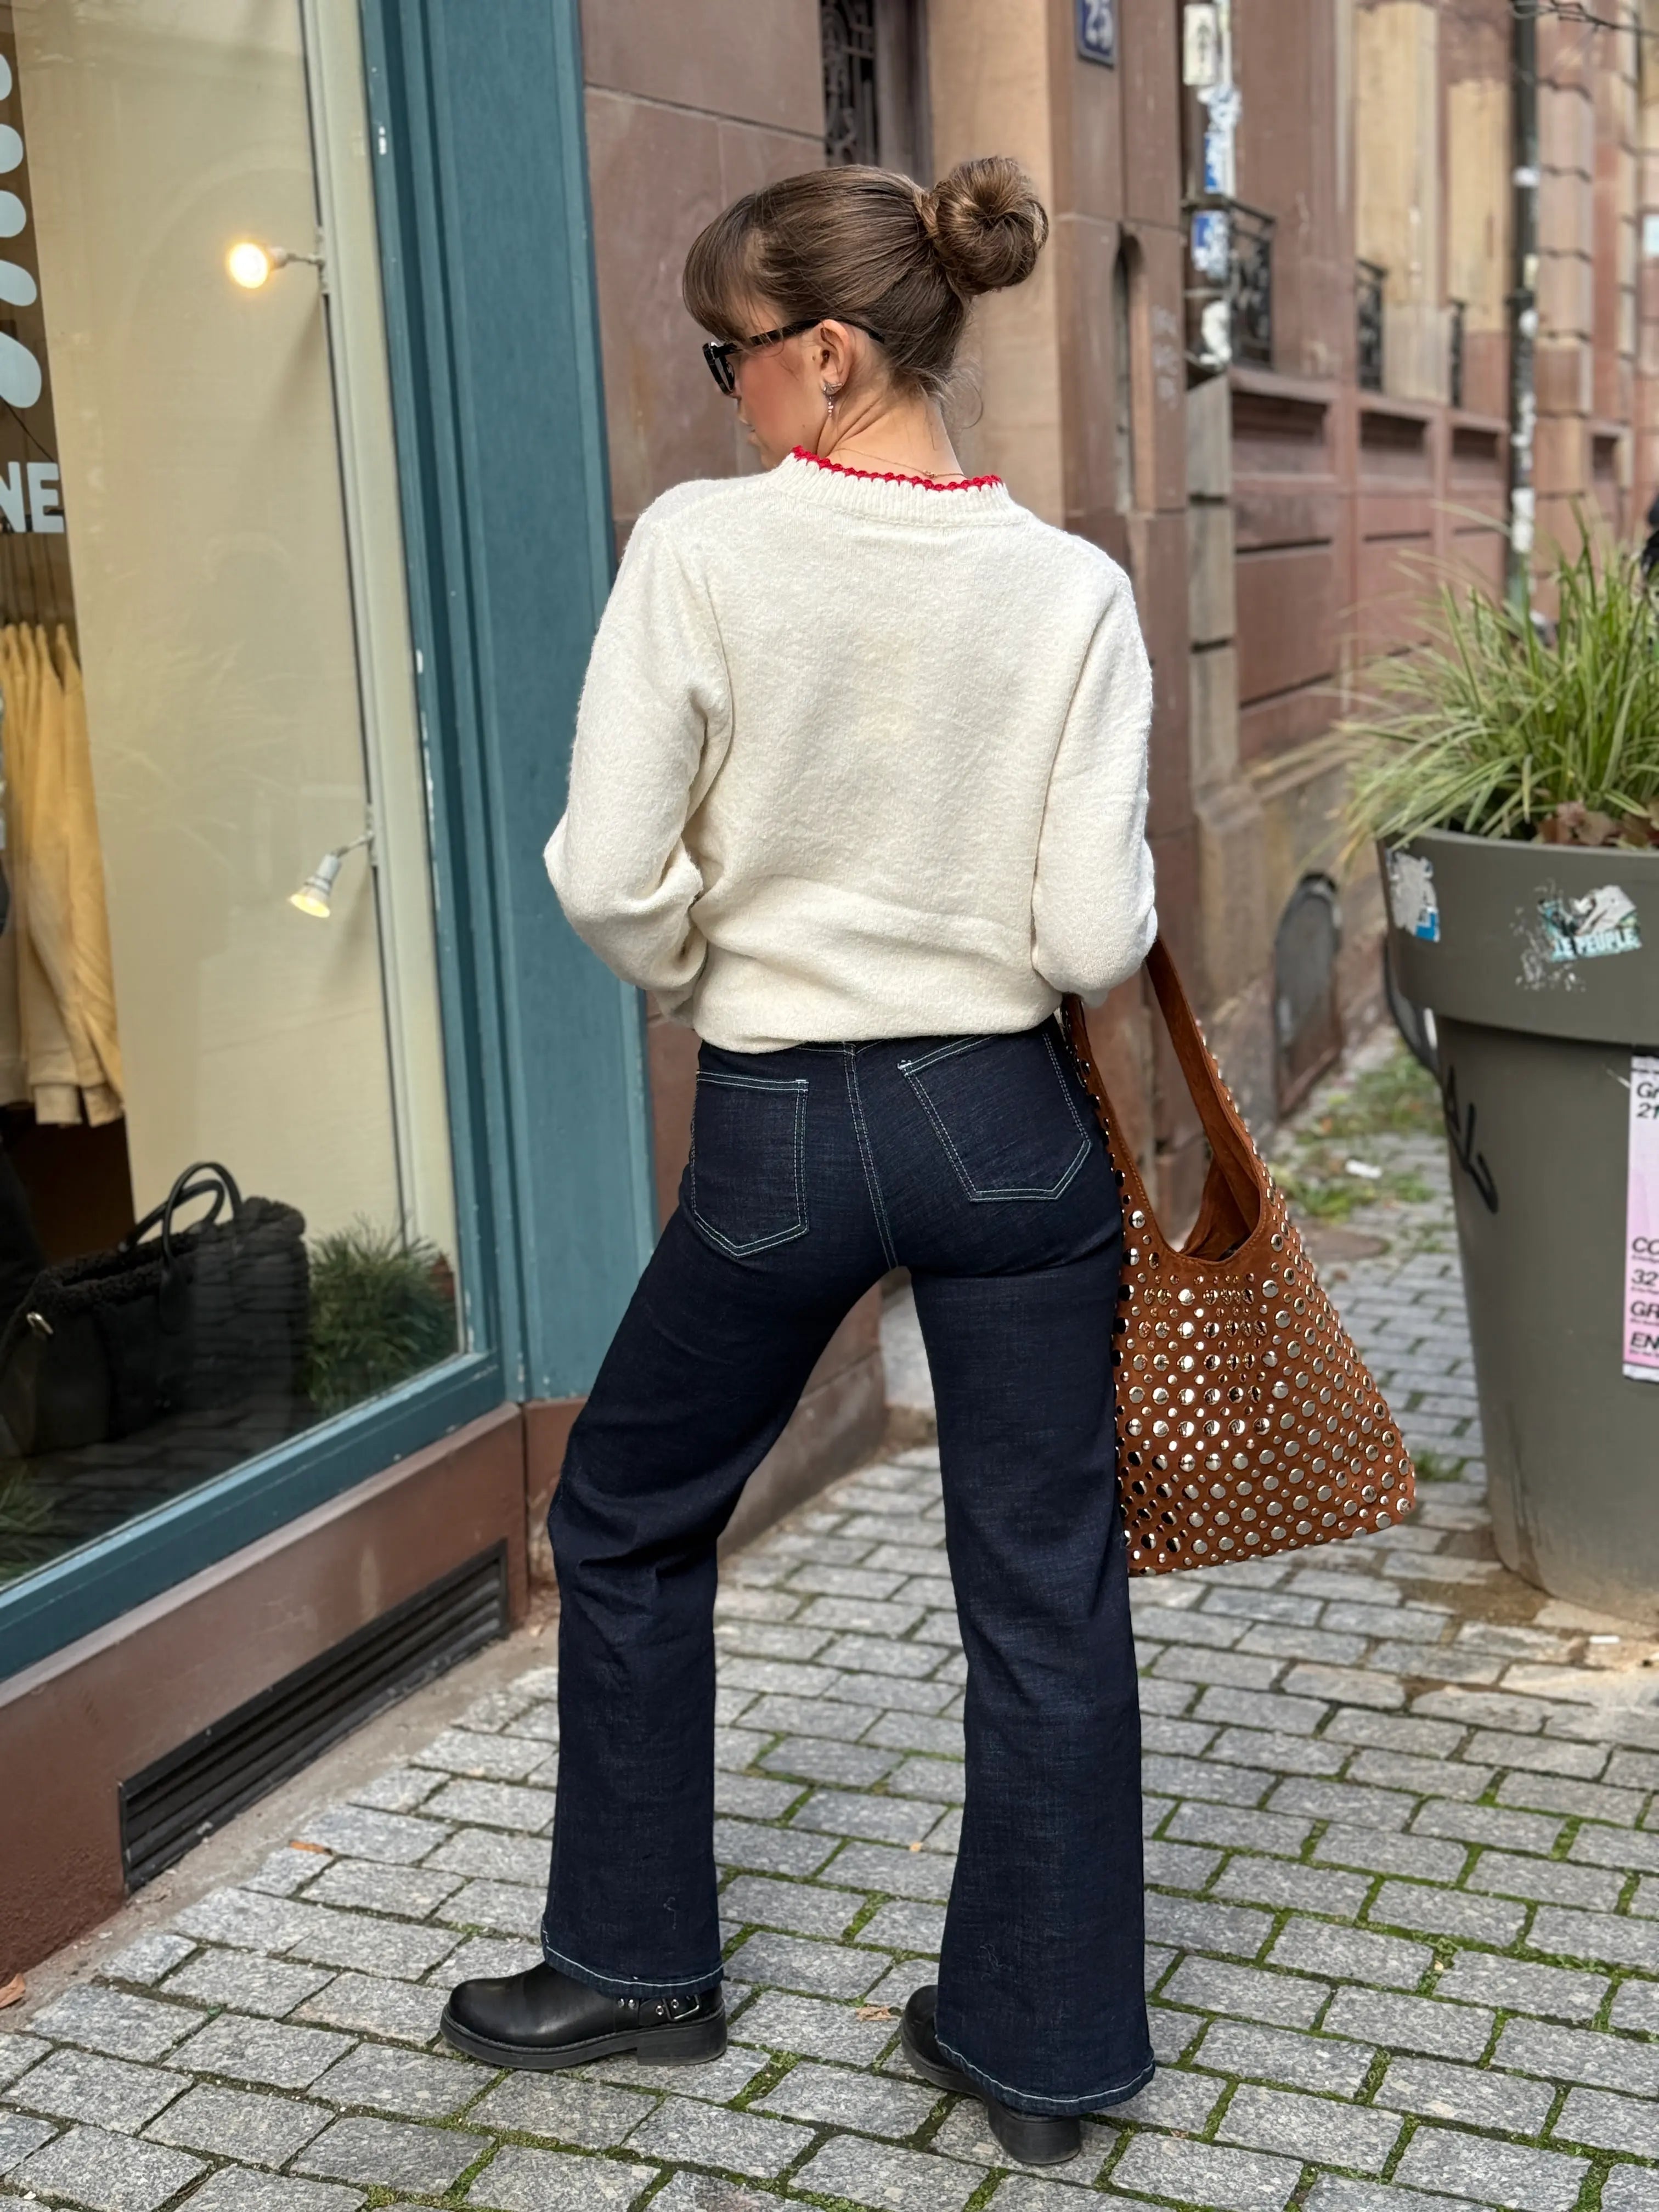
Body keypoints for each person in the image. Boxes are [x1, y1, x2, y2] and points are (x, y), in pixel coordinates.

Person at [440, 156, 1159, 2169]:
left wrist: (714, 975)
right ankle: (1042, 2056)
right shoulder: (1074, 589)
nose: (725, 389)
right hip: (1010, 1131)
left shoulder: (703, 550)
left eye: (732, 353)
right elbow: (1093, 936)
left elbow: (609, 872)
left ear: (830, 353)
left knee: (628, 1514)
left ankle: (635, 1971)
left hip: (783, 1127)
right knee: (1045, 1582)